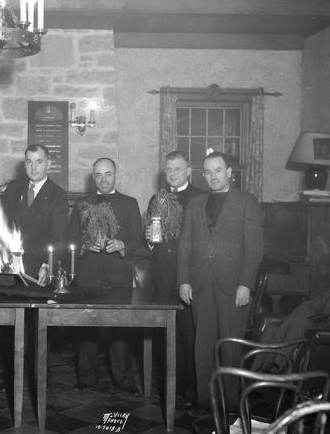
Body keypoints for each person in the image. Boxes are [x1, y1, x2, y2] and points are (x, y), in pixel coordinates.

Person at [177, 151, 263, 414]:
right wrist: (183, 280)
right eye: (208, 172)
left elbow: (255, 248)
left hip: (233, 287)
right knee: (202, 348)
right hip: (201, 284)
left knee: (230, 349)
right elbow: (185, 245)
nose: (212, 176)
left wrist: (245, 284)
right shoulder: (195, 203)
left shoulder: (247, 202)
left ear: (229, 173)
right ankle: (206, 405)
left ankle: (233, 407)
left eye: (218, 171)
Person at [68, 157, 143, 393]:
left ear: (115, 175)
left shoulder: (129, 203)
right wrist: (84, 245)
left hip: (118, 275)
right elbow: (69, 239)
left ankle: (124, 380)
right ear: (93, 177)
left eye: (108, 174)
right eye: (98, 175)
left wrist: (122, 244)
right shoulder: (81, 204)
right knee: (86, 331)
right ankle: (86, 378)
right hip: (88, 274)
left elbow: (137, 238)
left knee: (119, 332)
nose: (103, 179)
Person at [145, 150, 203, 407]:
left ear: (189, 171)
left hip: (187, 277)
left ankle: (191, 391)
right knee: (165, 335)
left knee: (189, 335)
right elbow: (151, 242)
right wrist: (148, 238)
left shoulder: (200, 198)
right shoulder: (156, 199)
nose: (172, 173)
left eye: (177, 169)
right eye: (169, 169)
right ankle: (169, 389)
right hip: (161, 275)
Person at [1, 144, 68, 286]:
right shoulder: (13, 188)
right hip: (9, 269)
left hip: (38, 270)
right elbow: (2, 222)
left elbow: (58, 237)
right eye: (29, 162)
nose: (33, 167)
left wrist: (47, 265)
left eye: (39, 161)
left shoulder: (58, 195)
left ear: (48, 164)